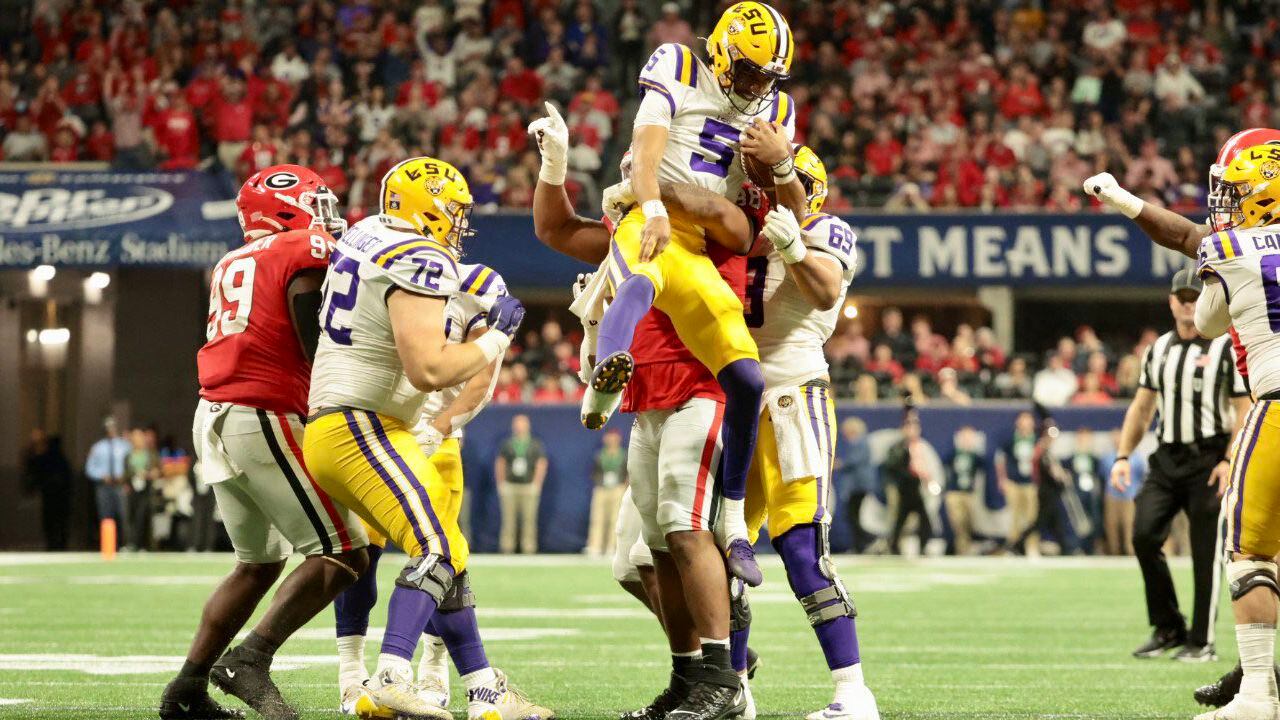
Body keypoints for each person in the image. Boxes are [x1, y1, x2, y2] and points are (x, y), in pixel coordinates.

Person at [528, 105, 765, 718]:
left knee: (687, 532)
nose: (633, 169)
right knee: (656, 551)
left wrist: (654, 186)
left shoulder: (707, 213)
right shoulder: (632, 229)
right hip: (647, 398)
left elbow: (728, 221)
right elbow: (556, 232)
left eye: (644, 161)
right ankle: (689, 678)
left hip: (701, 385)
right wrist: (555, 165)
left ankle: (724, 678)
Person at [304, 156, 548, 720]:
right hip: (363, 425)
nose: (459, 224)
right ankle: (390, 674)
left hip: (353, 422)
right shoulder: (420, 257)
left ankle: (485, 689)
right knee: (434, 549)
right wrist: (498, 338)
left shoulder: (367, 233)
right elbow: (429, 372)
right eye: (453, 211)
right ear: (425, 208)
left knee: (449, 555)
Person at [578, 1, 804, 588]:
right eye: (750, 71)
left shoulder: (776, 109)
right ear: (723, 52)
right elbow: (648, 151)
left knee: (748, 378)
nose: (758, 86)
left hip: (705, 245)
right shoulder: (678, 65)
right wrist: (649, 203)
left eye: (767, 76)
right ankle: (602, 385)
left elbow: (783, 220)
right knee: (636, 283)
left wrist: (779, 168)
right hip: (651, 218)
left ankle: (732, 521)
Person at [161, 165, 369, 720]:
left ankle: (186, 690)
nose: (326, 214)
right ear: (284, 210)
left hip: (216, 413)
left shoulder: (232, 259)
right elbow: (310, 333)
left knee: (256, 565)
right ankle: (250, 659)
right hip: (264, 411)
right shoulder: (301, 248)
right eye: (315, 202)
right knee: (346, 551)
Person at [331, 260, 528, 718]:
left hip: (434, 439)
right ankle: (350, 674)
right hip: (378, 429)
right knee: (360, 555)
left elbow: (484, 373)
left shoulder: (477, 282)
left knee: (444, 555)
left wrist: (440, 426)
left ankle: (435, 672)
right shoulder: (383, 263)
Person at [738, 145, 877, 720]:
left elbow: (823, 290)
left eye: (763, 182)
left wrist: (792, 242)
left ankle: (853, 692)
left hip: (795, 395)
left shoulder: (828, 229)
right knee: (719, 550)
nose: (754, 193)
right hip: (735, 400)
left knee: (800, 546)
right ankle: (733, 683)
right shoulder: (743, 230)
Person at [1111, 269, 1249, 666]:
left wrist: (1229, 460)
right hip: (1167, 455)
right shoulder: (1157, 350)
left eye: (1195, 297)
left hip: (1209, 459)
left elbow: (1243, 409)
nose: (1189, 304)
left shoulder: (1224, 347)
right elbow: (1141, 408)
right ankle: (1168, 625)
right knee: (1143, 535)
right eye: (1182, 297)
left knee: (1206, 552)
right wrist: (1123, 455)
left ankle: (1201, 640)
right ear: (1171, 302)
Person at [1191, 144, 1280, 719]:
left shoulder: (1235, 248)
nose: (1227, 203)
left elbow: (1205, 321)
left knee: (1249, 553)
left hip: (1277, 404)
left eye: (1236, 191)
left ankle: (1254, 695)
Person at [495, 414, 547, 555]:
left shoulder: (535, 444)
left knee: (529, 520)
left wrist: (537, 483)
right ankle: (507, 547)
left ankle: (528, 548)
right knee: (508, 520)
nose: (519, 428)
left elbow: (541, 463)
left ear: (527, 426)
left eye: (522, 424)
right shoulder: (507, 444)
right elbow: (500, 463)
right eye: (517, 425)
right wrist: (501, 483)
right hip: (510, 486)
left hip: (528, 486)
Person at [885, 409, 931, 556]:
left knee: (924, 521)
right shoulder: (899, 447)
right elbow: (892, 466)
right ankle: (894, 547)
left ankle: (922, 548)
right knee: (899, 521)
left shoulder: (918, 446)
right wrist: (908, 473)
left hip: (915, 487)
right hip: (903, 488)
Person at [22, 429, 72, 551]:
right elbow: (33, 473)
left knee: (59, 520)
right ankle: (52, 544)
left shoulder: (54, 456)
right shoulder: (36, 456)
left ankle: (60, 545)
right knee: (49, 520)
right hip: (48, 494)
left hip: (60, 494)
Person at [995, 412, 1037, 553]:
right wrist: (1002, 479)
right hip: (1014, 482)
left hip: (1031, 483)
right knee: (1014, 517)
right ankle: (1013, 547)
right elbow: (1000, 459)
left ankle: (1031, 547)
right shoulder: (1010, 438)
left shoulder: (1037, 439)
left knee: (1032, 517)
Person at [85, 417, 129, 544]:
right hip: (104, 486)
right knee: (105, 516)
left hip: (120, 485)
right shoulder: (98, 447)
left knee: (123, 515)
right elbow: (90, 468)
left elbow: (129, 465)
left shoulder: (124, 446)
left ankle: (124, 544)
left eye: (113, 426)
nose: (111, 430)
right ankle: (108, 544)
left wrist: (125, 478)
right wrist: (101, 475)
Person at [835, 418, 875, 554]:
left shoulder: (860, 442)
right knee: (853, 516)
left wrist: (839, 464)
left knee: (854, 516)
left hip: (859, 486)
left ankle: (870, 540)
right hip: (856, 486)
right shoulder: (857, 443)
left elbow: (853, 461)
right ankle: (861, 545)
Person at [587, 429, 628, 556]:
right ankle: (595, 546)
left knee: (616, 518)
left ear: (618, 439)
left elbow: (629, 472)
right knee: (597, 518)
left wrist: (625, 486)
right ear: (605, 439)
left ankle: (612, 546)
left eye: (614, 438)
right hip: (601, 488)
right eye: (609, 438)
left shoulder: (624, 455)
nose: (611, 440)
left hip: (618, 488)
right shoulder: (599, 455)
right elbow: (594, 472)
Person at [1102, 432, 1143, 556]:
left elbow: (1141, 477)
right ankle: (1114, 552)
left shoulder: (1136, 458)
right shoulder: (1107, 458)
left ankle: (1131, 552)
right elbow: (1103, 476)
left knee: (1129, 525)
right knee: (1111, 525)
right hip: (1112, 496)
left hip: (1129, 496)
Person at [944, 426, 984, 556]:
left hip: (969, 493)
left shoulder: (975, 456)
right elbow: (943, 465)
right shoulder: (953, 453)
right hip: (955, 492)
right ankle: (961, 549)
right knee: (957, 523)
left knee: (969, 522)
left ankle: (967, 547)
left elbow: (985, 465)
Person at [125, 427, 158, 551]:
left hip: (146, 490)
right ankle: (132, 543)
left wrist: (148, 474)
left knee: (143, 516)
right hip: (133, 490)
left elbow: (157, 470)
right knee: (131, 517)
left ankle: (144, 545)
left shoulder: (150, 454)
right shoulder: (129, 455)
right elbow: (126, 473)